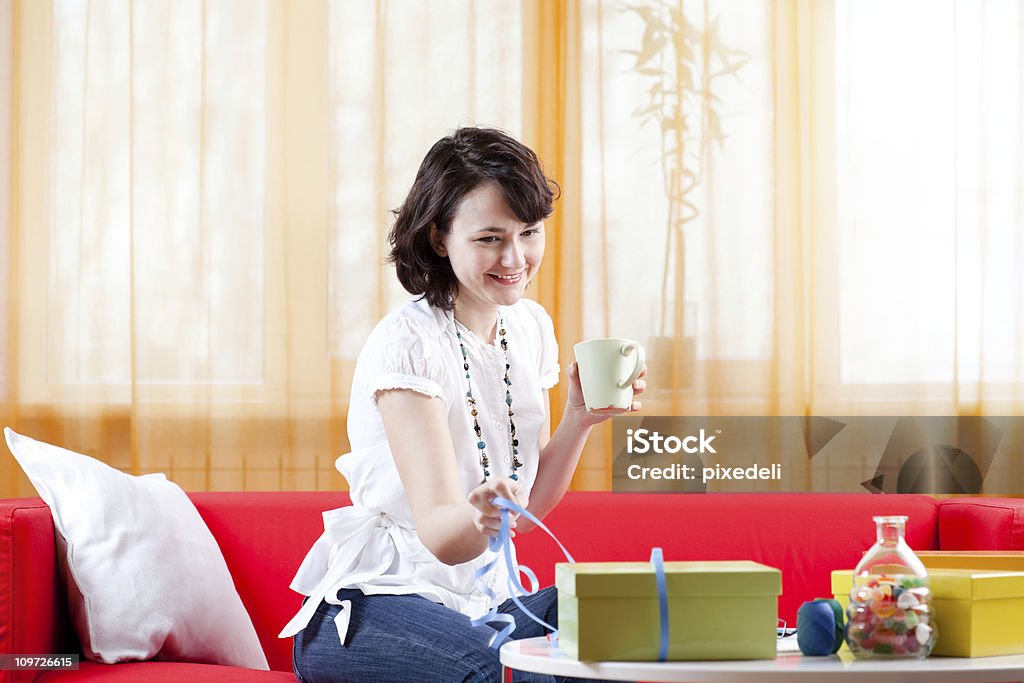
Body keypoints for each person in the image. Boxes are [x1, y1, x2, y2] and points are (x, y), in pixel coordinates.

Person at [280, 127, 645, 683]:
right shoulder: (409, 345)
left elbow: (526, 513)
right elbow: (444, 539)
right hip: (376, 608)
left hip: (483, 609)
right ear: (438, 238)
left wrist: (580, 418)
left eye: (529, 233)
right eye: (490, 238)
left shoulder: (528, 328)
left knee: (639, 617)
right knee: (502, 669)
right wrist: (479, 513)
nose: (515, 257)